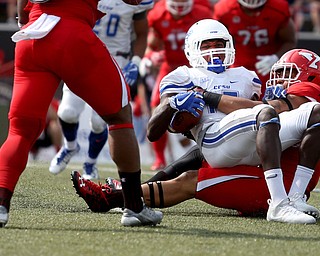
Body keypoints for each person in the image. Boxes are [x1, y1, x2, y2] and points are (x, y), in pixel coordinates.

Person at [70, 48, 320, 222]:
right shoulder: (296, 102)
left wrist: (206, 96)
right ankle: (132, 191)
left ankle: (113, 198)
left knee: (191, 180)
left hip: (277, 184)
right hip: (268, 170)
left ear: (309, 75)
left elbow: (272, 109)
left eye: (288, 72)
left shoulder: (309, 92)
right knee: (200, 155)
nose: (279, 78)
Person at [0, 0, 163, 228]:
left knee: (19, 131)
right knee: (119, 117)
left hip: (32, 35)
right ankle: (134, 207)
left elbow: (21, 7)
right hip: (72, 33)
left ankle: (1, 204)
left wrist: (24, 21)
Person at [147, 18, 319, 224]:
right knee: (265, 114)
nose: (214, 51)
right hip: (214, 141)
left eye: (219, 44)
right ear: (192, 49)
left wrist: (269, 100)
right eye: (207, 45)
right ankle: (279, 204)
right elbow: (154, 131)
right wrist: (172, 105)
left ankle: (294, 198)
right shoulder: (183, 76)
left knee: (311, 112)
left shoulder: (247, 77)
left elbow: (253, 114)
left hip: (242, 140)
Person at [48, 0, 153, 179]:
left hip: (115, 59)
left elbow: (142, 33)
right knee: (67, 112)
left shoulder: (134, 3)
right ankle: (70, 146)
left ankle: (90, 163)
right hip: (83, 53)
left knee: (100, 121)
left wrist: (135, 62)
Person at [140, 0, 213, 171]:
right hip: (170, 67)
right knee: (157, 107)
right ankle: (159, 158)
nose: (179, 5)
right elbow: (152, 45)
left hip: (198, 68)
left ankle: (199, 150)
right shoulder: (157, 14)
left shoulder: (203, 12)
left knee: (200, 110)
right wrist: (150, 57)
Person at [213, 0, 297, 95]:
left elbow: (290, 41)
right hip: (236, 65)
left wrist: (276, 57)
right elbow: (215, 40)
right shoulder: (225, 10)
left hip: (270, 69)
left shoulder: (278, 9)